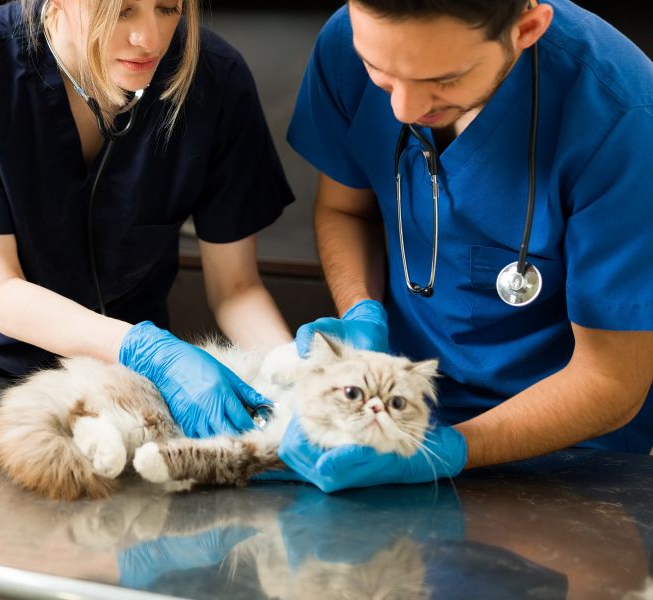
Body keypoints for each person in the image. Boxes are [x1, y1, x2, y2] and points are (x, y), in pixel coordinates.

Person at [278, 0, 653, 491]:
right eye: (379, 71)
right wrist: (361, 315)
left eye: (445, 80)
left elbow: (611, 383)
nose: (403, 110)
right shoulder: (350, 38)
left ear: (526, 29)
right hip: (399, 415)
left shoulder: (623, 118)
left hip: (572, 453)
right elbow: (345, 211)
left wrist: (446, 451)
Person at [0, 0, 295, 438]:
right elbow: (0, 290)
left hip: (125, 391)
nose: (150, 40)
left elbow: (236, 288)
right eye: (121, 12)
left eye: (168, 8)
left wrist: (299, 379)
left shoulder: (217, 80)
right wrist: (150, 351)